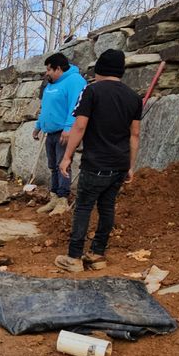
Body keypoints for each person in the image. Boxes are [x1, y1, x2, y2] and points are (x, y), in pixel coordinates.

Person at [55, 49, 141, 273]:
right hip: (119, 164)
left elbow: (80, 126)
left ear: (100, 69)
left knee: (83, 207)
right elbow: (134, 135)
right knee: (107, 208)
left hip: (96, 164)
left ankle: (74, 257)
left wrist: (66, 157)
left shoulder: (91, 91)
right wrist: (130, 166)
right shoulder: (134, 97)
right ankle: (97, 255)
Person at [32, 52, 87, 202]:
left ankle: (62, 197)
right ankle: (54, 196)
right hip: (51, 132)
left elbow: (76, 107)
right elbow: (46, 108)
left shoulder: (75, 81)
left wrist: (68, 129)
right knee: (53, 166)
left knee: (62, 165)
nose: (47, 73)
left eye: (49, 69)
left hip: (64, 132)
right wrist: (38, 126)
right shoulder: (51, 84)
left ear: (58, 69)